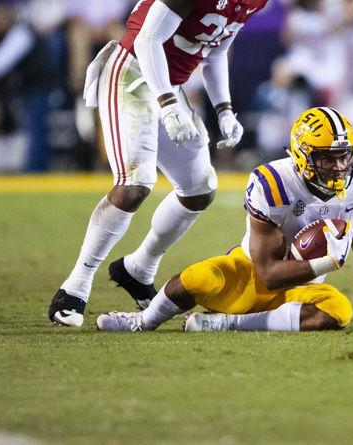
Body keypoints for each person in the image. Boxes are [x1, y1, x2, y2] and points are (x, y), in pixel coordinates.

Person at [48, 0, 267, 327]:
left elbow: (216, 50)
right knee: (135, 183)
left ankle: (139, 268)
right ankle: (76, 285)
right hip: (132, 72)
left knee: (198, 189)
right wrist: (167, 104)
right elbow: (147, 40)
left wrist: (224, 109)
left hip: (168, 83)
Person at [96, 107, 353, 333]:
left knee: (338, 311)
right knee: (195, 279)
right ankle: (143, 321)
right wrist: (328, 262)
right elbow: (268, 275)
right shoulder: (273, 183)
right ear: (302, 156)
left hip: (303, 287)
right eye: (327, 158)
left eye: (344, 156)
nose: (339, 167)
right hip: (250, 273)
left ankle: (225, 324)